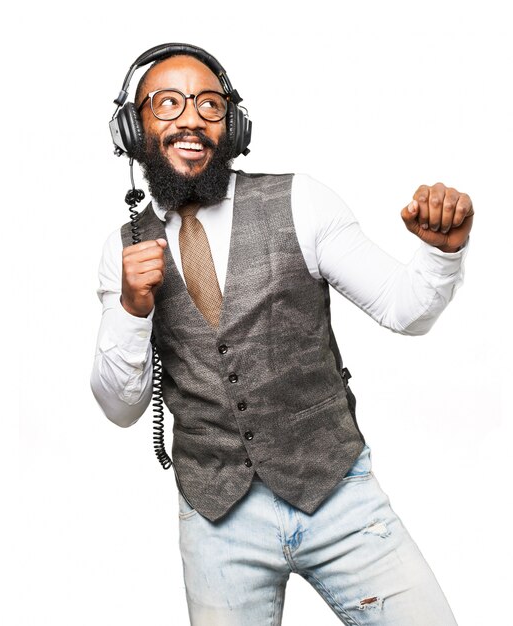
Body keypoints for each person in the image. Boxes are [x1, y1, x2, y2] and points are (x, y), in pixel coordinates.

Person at [91, 43, 473, 625]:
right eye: (167, 103)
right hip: (217, 521)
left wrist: (440, 255)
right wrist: (131, 306)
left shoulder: (303, 200)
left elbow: (405, 308)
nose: (190, 118)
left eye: (209, 105)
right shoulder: (122, 250)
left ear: (234, 125)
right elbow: (121, 408)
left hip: (338, 496)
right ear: (133, 127)